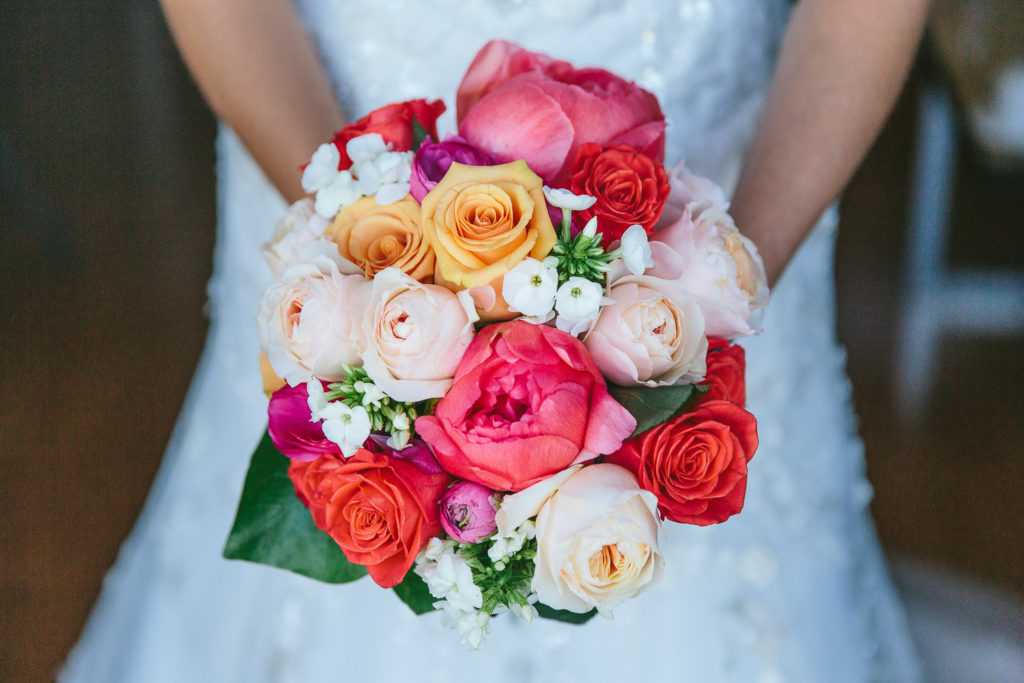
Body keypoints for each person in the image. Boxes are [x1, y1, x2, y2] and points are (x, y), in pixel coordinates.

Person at [61, 0, 930, 680]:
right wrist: (350, 250)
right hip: (326, 134)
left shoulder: (716, 274)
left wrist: (723, 283)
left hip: (725, 168)